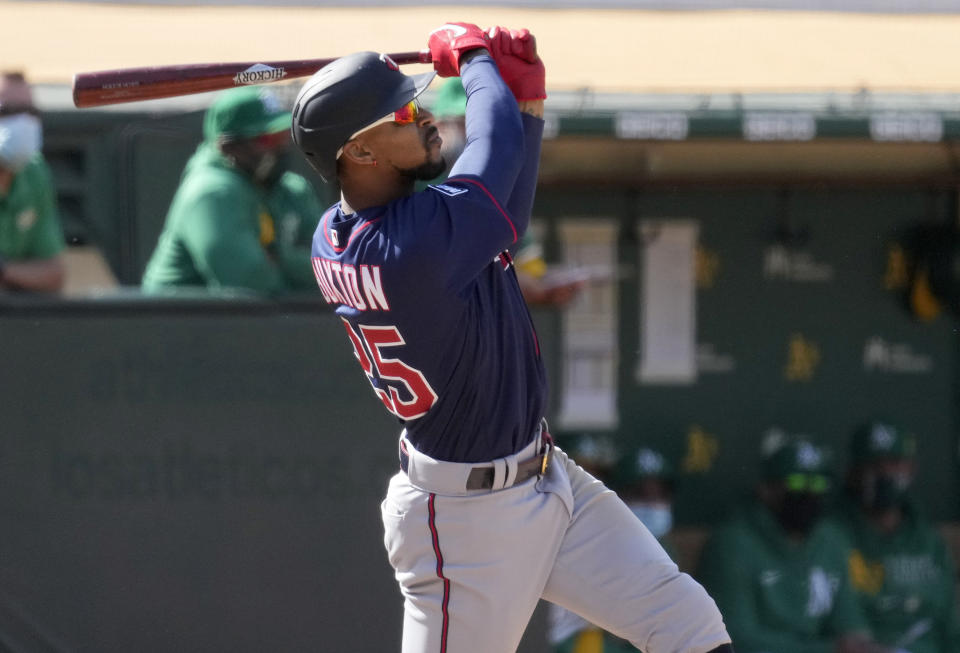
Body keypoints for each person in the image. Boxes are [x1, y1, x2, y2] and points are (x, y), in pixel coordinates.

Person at [291, 23, 732, 653]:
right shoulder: (406, 247)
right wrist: (475, 64)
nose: (425, 116)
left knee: (689, 627)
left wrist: (525, 106)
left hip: (547, 479)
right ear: (360, 155)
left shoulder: (356, 228)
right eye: (405, 112)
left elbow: (502, 214)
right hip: (465, 523)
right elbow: (492, 160)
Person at [697, 436, 892, 653]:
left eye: (817, 484)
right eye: (796, 483)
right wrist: (829, 650)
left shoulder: (830, 539)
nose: (808, 493)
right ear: (766, 488)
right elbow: (734, 640)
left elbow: (850, 625)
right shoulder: (733, 544)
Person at [141, 86, 320, 295]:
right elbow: (251, 283)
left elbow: (336, 269)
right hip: (176, 323)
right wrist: (299, 263)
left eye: (283, 136)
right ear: (227, 146)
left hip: (257, 323)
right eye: (267, 140)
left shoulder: (292, 189)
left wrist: (279, 255)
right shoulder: (211, 192)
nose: (280, 148)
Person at [430, 77, 582, 306]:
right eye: (465, 123)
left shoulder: (499, 187)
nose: (477, 134)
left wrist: (542, 287)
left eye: (483, 124)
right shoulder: (416, 184)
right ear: (439, 128)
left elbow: (523, 267)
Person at [829, 420, 960, 653]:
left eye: (895, 464)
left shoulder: (929, 541)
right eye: (875, 465)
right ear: (852, 472)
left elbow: (950, 627)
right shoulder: (831, 536)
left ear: (911, 469)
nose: (886, 474)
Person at [0, 72, 66, 293]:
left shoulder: (34, 172)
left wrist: (4, 270)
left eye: (31, 112)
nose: (23, 122)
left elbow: (53, 273)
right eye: (7, 112)